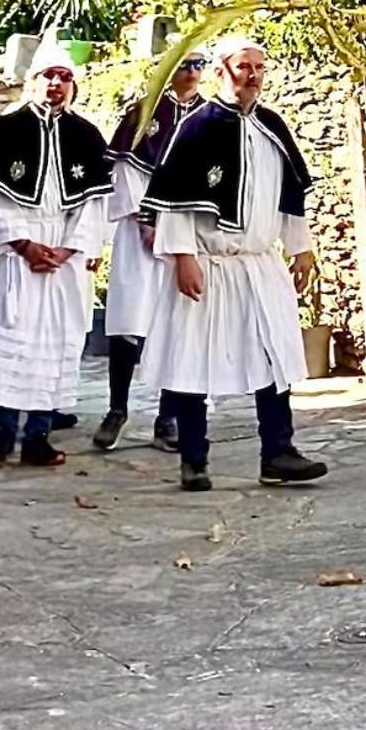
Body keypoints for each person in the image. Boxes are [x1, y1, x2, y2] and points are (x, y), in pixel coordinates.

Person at [141, 38, 326, 492]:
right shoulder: (198, 128)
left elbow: (290, 196)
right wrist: (183, 257)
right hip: (209, 262)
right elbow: (176, 201)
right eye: (244, 67)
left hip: (259, 265)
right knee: (192, 359)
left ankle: (278, 452)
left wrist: (301, 249)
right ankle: (193, 458)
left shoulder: (271, 127)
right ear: (222, 72)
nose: (254, 75)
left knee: (274, 355)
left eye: (259, 68)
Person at [0, 47, 112, 470]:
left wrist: (67, 248)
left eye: (64, 76)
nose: (56, 84)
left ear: (74, 85)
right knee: (13, 344)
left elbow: (93, 204)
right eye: (49, 75)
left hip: (62, 259)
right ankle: (1, 439)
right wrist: (24, 245)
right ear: (34, 80)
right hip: (20, 257)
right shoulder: (9, 128)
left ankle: (38, 440)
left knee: (56, 347)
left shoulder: (85, 134)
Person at [95, 55, 208, 452]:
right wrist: (146, 220)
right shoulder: (144, 113)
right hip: (139, 233)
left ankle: (168, 417)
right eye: (184, 65)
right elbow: (125, 170)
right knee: (129, 320)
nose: (192, 72)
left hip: (187, 240)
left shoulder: (211, 117)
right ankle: (117, 410)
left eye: (199, 65)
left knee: (177, 325)